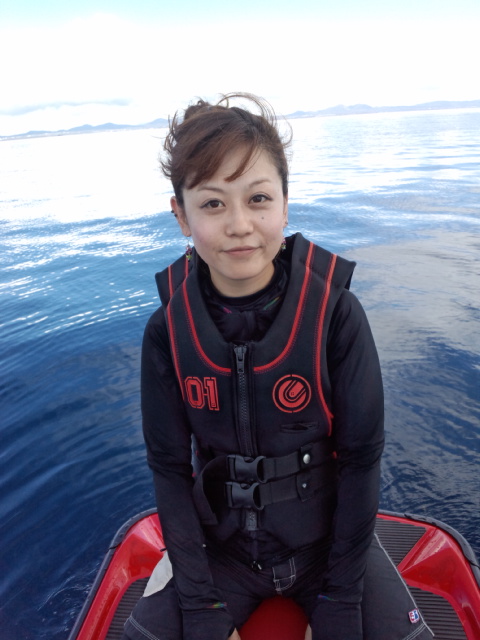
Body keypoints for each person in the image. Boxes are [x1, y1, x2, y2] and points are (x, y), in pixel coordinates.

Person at [122, 93, 433, 640]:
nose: (240, 224)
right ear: (181, 215)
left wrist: (341, 597)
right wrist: (201, 607)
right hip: (223, 555)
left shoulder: (337, 314)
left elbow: (362, 458)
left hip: (326, 552)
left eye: (258, 199)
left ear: (285, 205)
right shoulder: (166, 331)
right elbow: (169, 469)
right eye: (213, 204)